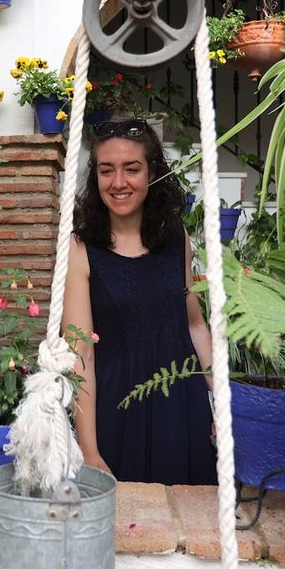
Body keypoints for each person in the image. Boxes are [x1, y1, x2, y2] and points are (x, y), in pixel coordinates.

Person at [63, 118, 218, 485]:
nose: (118, 183)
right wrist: (89, 451)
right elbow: (80, 354)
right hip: (118, 412)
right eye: (106, 170)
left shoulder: (176, 238)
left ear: (151, 173)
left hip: (182, 405)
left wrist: (222, 404)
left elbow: (194, 324)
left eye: (131, 169)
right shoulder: (80, 247)